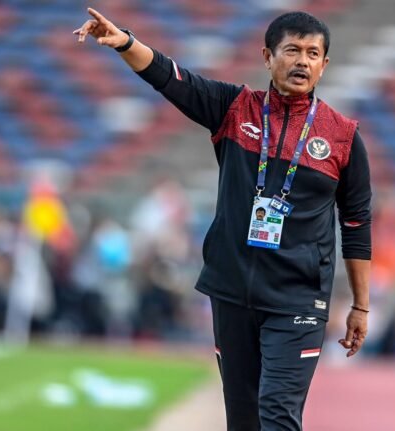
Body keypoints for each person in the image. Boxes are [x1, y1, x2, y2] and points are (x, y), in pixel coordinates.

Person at [74, 8, 372, 430]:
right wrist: (124, 41)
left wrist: (360, 305)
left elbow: (357, 224)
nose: (302, 62)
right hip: (232, 293)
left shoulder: (343, 137)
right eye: (292, 50)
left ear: (324, 65)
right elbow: (172, 79)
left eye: (312, 54)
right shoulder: (235, 109)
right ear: (267, 57)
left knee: (278, 413)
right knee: (243, 421)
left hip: (298, 299)